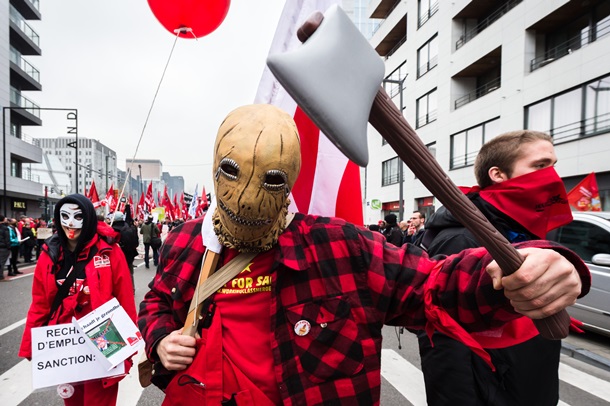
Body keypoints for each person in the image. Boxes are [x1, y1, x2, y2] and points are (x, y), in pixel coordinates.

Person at [137, 104, 589, 405]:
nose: (250, 195)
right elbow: (157, 299)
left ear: (291, 178)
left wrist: (507, 270)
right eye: (233, 171)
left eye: (272, 178)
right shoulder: (185, 240)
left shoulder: (339, 246)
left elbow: (431, 286)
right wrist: (161, 338)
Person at [414, 130, 574, 406]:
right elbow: (443, 336)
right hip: (494, 387)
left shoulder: (522, 226)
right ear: (498, 174)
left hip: (528, 381)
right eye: (540, 166)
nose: (552, 176)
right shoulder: (461, 237)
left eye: (553, 166)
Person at [19, 194, 137, 406]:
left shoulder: (109, 251)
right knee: (72, 402)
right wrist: (31, 346)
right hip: (64, 344)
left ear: (89, 218)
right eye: (65, 216)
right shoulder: (50, 253)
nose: (70, 223)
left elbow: (125, 299)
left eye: (77, 216)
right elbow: (40, 304)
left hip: (103, 340)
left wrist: (129, 344)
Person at [110, 211, 139, 292]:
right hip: (129, 253)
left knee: (116, 273)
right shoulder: (130, 227)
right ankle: (131, 288)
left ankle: (119, 290)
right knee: (130, 272)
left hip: (117, 254)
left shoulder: (112, 229)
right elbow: (136, 242)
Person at [0, 215, 10, 281]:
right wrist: (9, 247)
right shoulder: (5, 228)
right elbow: (7, 239)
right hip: (3, 247)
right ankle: (1, 276)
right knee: (1, 262)